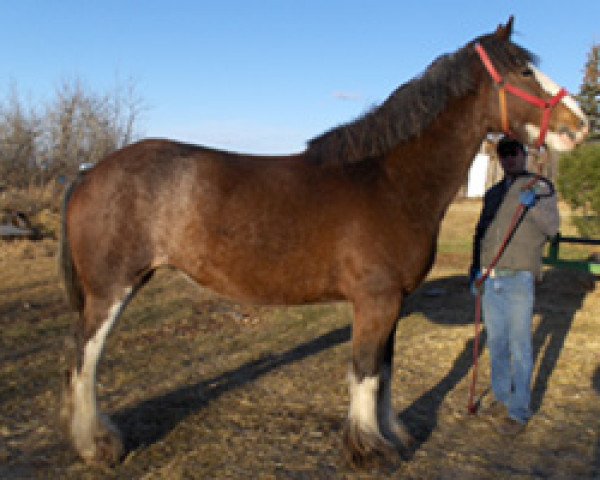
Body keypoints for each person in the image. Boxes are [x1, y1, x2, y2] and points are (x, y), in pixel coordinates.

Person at [469, 136, 559, 435]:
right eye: (503, 154)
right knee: (496, 344)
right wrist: (475, 271)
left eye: (513, 153)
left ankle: (518, 412)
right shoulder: (493, 193)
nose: (509, 159)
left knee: (520, 346)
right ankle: (501, 396)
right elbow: (481, 232)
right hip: (490, 277)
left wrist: (532, 207)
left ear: (524, 155)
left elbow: (552, 229)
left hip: (519, 276)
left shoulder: (539, 187)